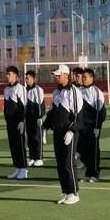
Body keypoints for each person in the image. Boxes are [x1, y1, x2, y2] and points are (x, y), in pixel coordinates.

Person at [44, 64, 84, 204]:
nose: (56, 77)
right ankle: (66, 192)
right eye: (56, 75)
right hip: (58, 132)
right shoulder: (57, 92)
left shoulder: (74, 91)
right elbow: (53, 111)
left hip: (69, 132)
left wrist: (72, 131)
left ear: (66, 75)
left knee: (68, 162)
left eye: (58, 75)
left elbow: (79, 115)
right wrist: (45, 126)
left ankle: (74, 192)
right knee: (60, 163)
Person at [79, 68, 106, 182]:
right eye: (82, 77)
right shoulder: (79, 91)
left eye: (85, 77)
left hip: (92, 126)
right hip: (81, 126)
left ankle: (94, 173)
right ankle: (88, 172)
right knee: (82, 150)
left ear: (91, 78)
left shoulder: (96, 92)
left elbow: (101, 112)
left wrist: (97, 127)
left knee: (93, 150)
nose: (83, 79)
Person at [3, 66, 28, 180]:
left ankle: (23, 169)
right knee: (13, 146)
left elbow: (23, 105)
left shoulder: (20, 88)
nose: (7, 76)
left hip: (18, 122)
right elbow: (6, 106)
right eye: (7, 74)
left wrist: (22, 121)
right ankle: (17, 167)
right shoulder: (6, 89)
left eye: (9, 74)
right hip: (10, 122)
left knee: (20, 145)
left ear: (15, 75)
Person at [24, 70, 45, 167]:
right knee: (30, 138)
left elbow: (40, 105)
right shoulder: (25, 90)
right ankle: (32, 157)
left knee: (37, 138)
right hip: (28, 119)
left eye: (27, 78)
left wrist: (40, 117)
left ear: (33, 79)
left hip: (36, 119)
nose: (26, 80)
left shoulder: (38, 90)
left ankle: (39, 158)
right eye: (25, 78)